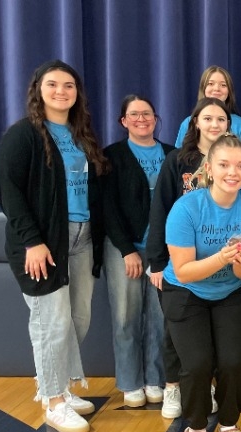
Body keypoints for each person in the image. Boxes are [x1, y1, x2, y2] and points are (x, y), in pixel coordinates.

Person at [0, 59, 108, 432]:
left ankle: (61, 385)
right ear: (38, 90)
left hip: (82, 237)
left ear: (77, 94)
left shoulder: (80, 135)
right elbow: (10, 192)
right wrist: (33, 241)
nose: (61, 91)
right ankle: (54, 400)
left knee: (78, 319)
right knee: (51, 323)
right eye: (53, 84)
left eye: (69, 86)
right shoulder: (23, 135)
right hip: (44, 243)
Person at [161, 134, 241, 432]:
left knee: (234, 363)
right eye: (224, 165)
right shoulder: (186, 208)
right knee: (197, 364)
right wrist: (223, 257)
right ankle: (195, 427)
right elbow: (184, 272)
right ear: (209, 168)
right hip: (186, 292)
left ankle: (229, 424)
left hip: (230, 292)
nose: (232, 172)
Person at [148, 97, 231, 419]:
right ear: (195, 122)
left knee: (210, 333)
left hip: (219, 261)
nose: (214, 124)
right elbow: (160, 209)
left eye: (221, 119)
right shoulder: (177, 160)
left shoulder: (232, 160)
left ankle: (203, 385)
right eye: (208, 118)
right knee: (175, 329)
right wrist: (157, 262)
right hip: (178, 261)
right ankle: (172, 386)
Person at [102, 95, 175, 408]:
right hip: (125, 248)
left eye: (147, 114)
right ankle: (130, 382)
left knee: (160, 317)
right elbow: (107, 207)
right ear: (123, 121)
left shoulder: (172, 154)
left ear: (156, 118)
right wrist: (126, 250)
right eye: (134, 114)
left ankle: (154, 378)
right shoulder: (111, 156)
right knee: (125, 317)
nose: (141, 119)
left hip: (163, 251)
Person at [174, 66, 241, 154]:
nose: (216, 88)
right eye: (210, 84)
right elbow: (179, 155)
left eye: (223, 85)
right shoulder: (188, 123)